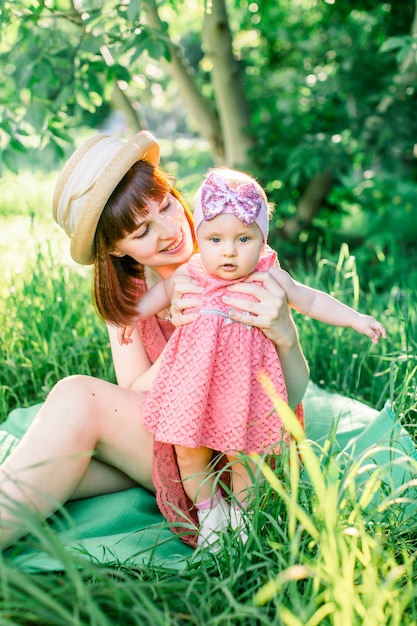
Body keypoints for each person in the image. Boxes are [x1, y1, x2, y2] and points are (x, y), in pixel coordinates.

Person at [0, 131, 311, 550]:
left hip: (242, 456)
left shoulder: (231, 257)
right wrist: (189, 337)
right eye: (142, 231)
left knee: (77, 401)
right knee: (56, 462)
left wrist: (286, 337)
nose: (169, 231)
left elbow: (289, 399)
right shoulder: (131, 299)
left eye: (166, 206)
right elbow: (135, 392)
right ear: (117, 250)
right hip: (175, 440)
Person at [116, 167, 386, 546]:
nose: (228, 251)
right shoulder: (190, 272)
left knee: (246, 458)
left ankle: (243, 518)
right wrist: (132, 316)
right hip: (195, 388)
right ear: (200, 237)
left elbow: (310, 299)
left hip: (243, 390)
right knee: (188, 453)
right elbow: (155, 299)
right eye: (215, 239)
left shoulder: (267, 274)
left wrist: (355, 319)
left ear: (262, 241)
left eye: (243, 238)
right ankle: (211, 514)